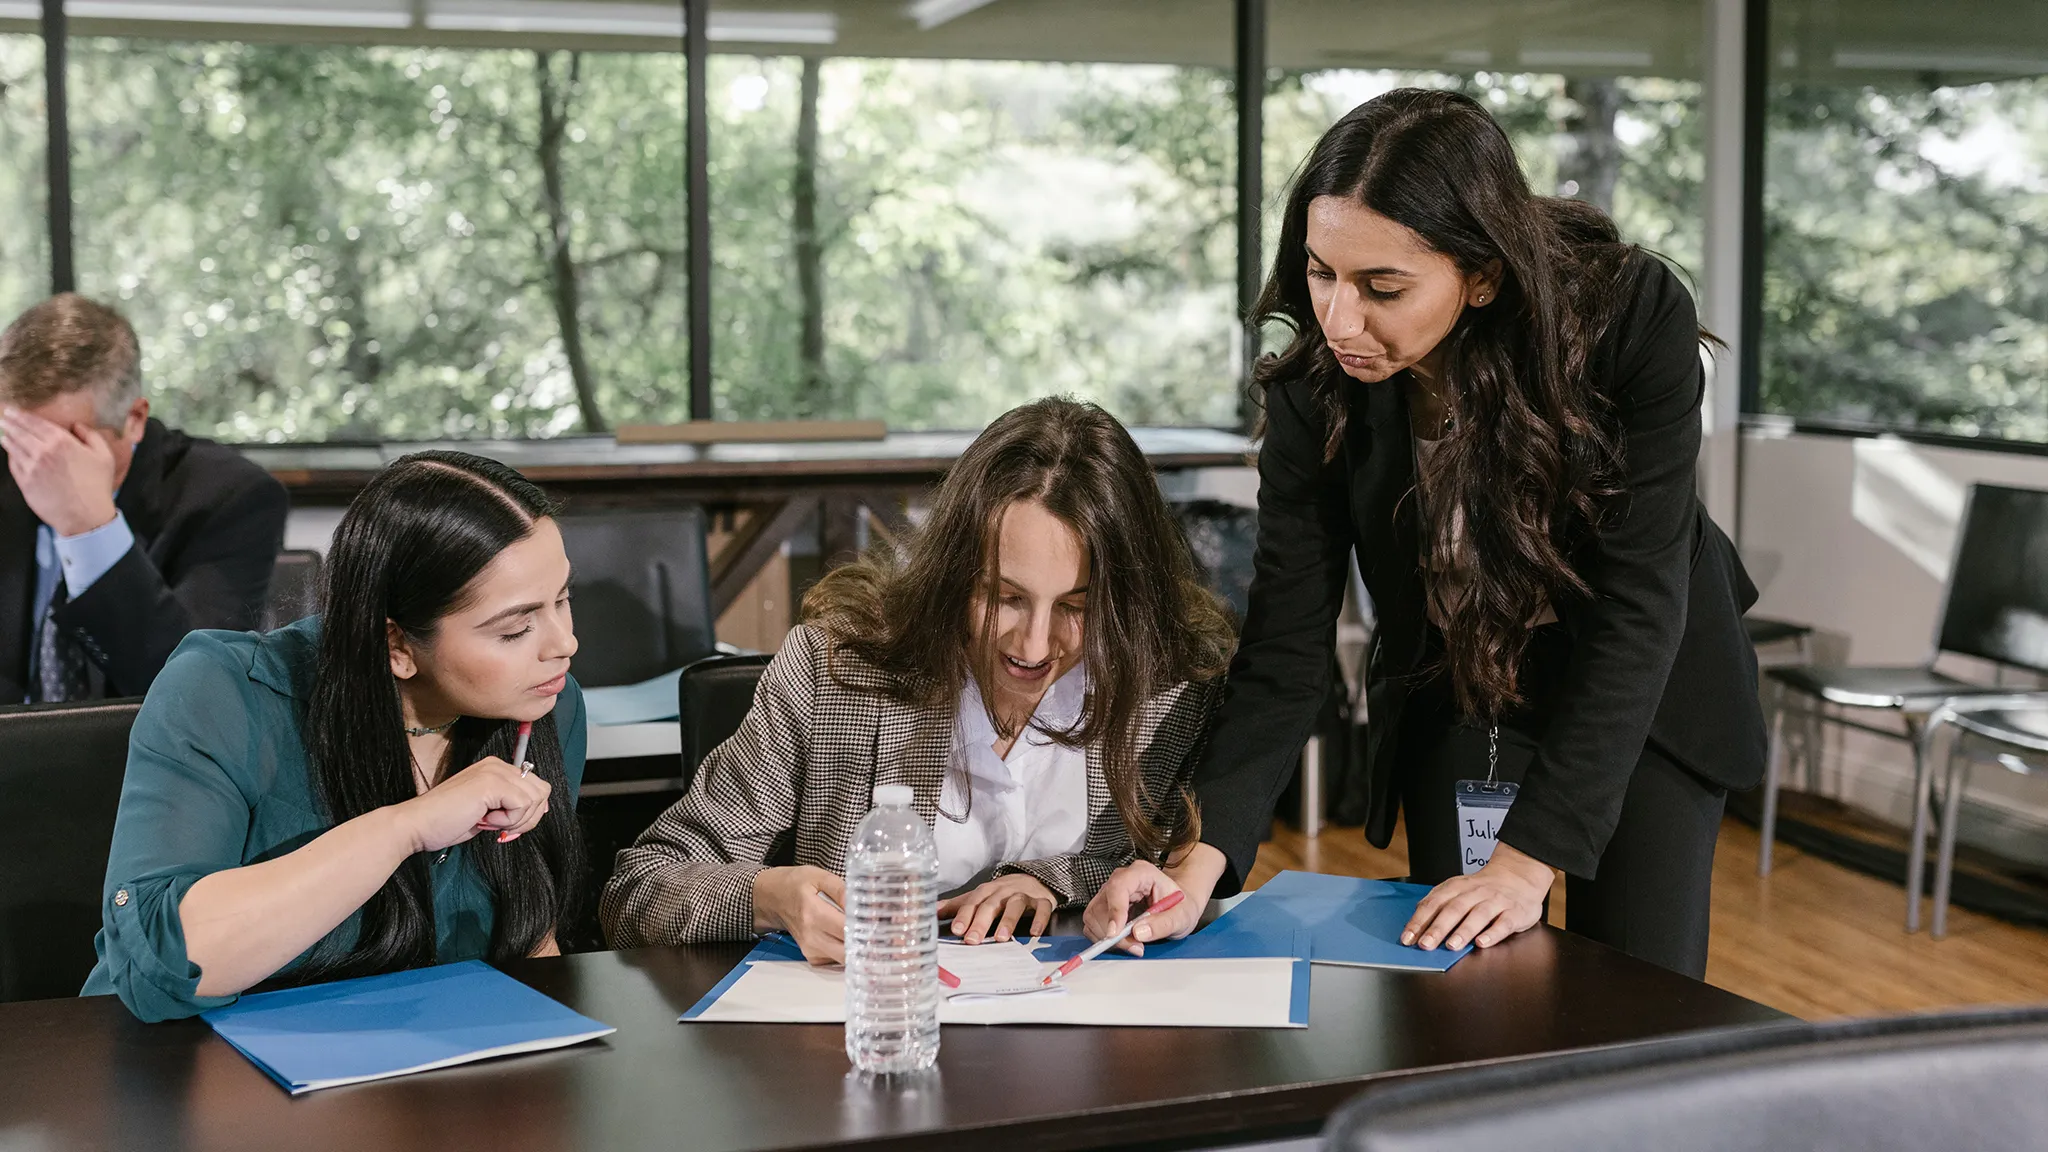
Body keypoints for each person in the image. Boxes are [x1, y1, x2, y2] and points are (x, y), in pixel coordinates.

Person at [1087, 89, 1765, 979]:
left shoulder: (1627, 319)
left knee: (1632, 999)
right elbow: (1286, 646)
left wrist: (1528, 863)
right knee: (1461, 986)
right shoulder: (1315, 384)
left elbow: (1641, 600)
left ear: (1481, 275)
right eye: (1322, 272)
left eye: (1383, 287)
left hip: (1639, 692)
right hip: (1460, 682)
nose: (1338, 320)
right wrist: (1194, 862)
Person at [602, 397, 1236, 962]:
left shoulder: (1169, 688)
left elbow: (1164, 862)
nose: (1034, 645)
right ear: (955, 576)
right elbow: (638, 890)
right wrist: (764, 896)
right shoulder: (833, 674)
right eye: (1004, 597)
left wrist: (1048, 879)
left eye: (1076, 607)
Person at [83, 451, 586, 1022]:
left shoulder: (546, 705)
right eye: (516, 628)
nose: (563, 643)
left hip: (406, 1076)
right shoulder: (225, 694)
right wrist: (407, 827)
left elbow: (530, 941)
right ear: (395, 644)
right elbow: (170, 961)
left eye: (563, 599)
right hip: (182, 1069)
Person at [0, 293, 288, 704]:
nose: (34, 466)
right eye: (20, 438)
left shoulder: (231, 498)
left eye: (61, 446)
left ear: (133, 420)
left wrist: (89, 530)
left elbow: (197, 694)